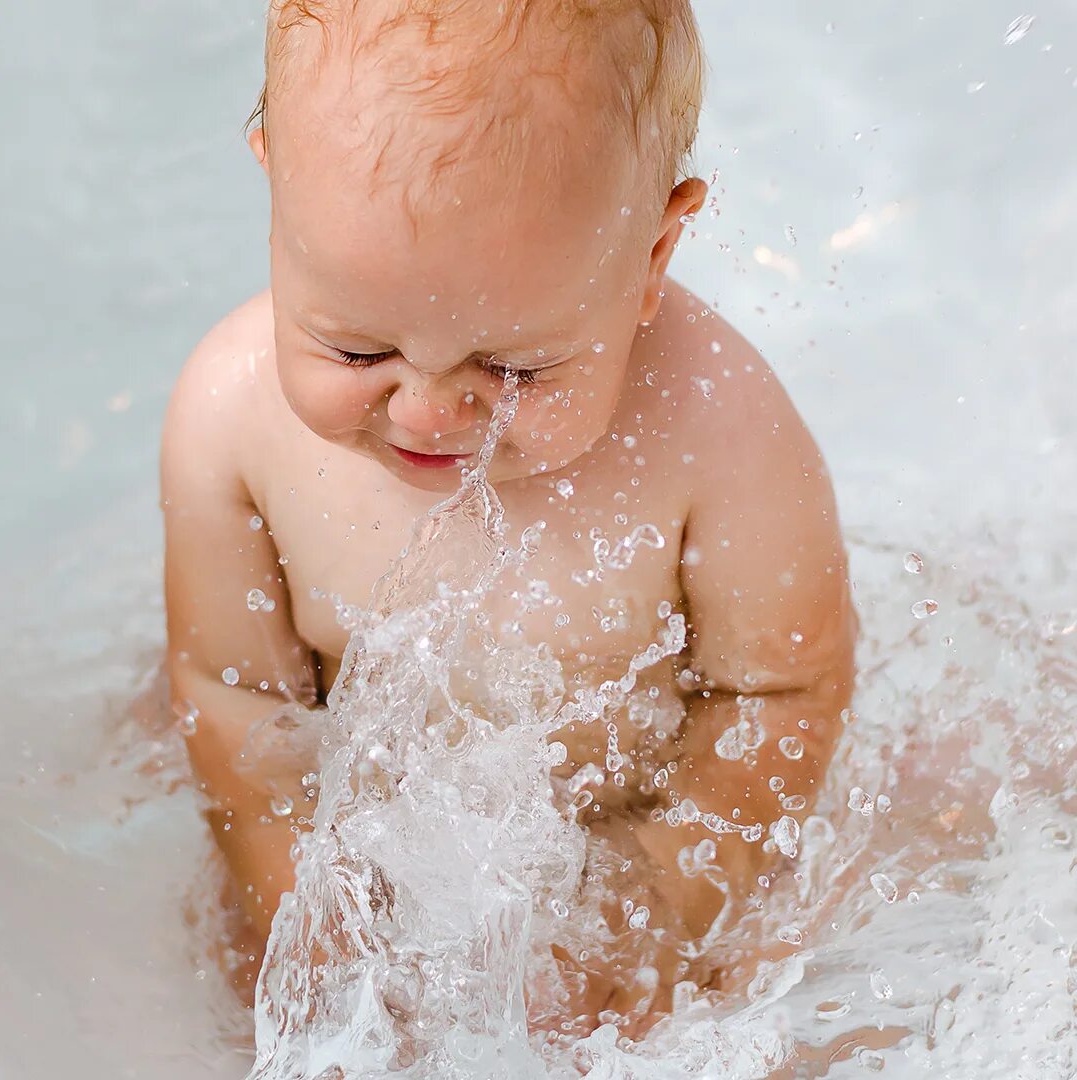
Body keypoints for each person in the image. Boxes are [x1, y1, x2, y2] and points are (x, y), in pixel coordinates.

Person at [162, 0, 855, 1035]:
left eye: (516, 366)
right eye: (357, 352)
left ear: (652, 256)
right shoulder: (231, 414)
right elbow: (232, 694)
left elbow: (783, 692)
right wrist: (292, 891)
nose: (429, 412)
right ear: (275, 189)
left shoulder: (718, 426)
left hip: (638, 826)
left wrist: (664, 897)